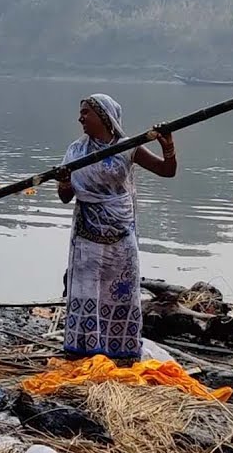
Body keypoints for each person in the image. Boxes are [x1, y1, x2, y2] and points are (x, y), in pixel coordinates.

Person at [56, 93, 176, 359]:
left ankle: (120, 347)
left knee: (120, 290)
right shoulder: (76, 151)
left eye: (85, 113)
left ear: (104, 116)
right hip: (87, 233)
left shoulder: (128, 148)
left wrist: (168, 145)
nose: (80, 118)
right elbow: (65, 197)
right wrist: (64, 181)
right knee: (87, 290)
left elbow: (167, 171)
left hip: (121, 232)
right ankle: (85, 347)